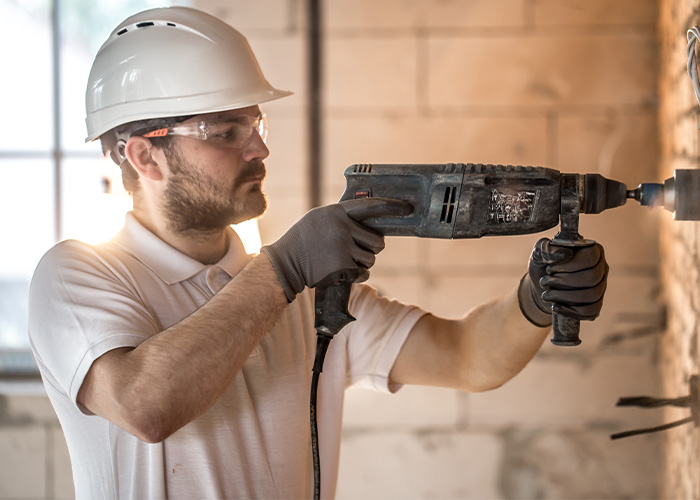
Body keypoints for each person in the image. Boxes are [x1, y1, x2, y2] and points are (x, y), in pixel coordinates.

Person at [28, 6, 609, 500]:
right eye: (224, 132)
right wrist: (283, 268)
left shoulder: (310, 293)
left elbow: (466, 356)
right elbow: (143, 405)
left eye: (255, 123)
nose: (260, 147)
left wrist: (535, 299)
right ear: (143, 157)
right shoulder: (78, 276)